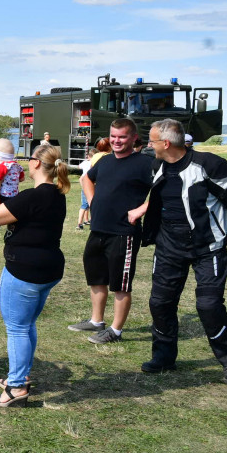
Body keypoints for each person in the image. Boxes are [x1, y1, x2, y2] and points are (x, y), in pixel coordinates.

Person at [140, 119, 227, 385]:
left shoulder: (210, 165)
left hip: (208, 247)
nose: (149, 145)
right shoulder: (157, 166)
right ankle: (164, 356)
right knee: (160, 302)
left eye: (152, 141)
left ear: (165, 143)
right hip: (169, 246)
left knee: (209, 306)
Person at [0, 145, 70, 406]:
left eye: (29, 158)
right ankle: (19, 375)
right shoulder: (58, 193)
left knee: (17, 328)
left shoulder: (32, 197)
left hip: (25, 270)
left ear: (36, 164)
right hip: (49, 268)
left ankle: (16, 387)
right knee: (27, 324)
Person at [68, 119, 153, 345]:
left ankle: (115, 330)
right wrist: (93, 200)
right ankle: (97, 321)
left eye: (122, 136)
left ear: (134, 137)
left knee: (120, 284)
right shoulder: (105, 161)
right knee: (96, 277)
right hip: (98, 229)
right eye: (113, 136)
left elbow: (165, 189)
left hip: (123, 233)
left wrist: (142, 209)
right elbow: (86, 178)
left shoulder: (145, 163)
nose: (116, 140)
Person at [76, 147, 96, 230]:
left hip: (85, 186)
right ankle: (79, 223)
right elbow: (83, 178)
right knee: (85, 205)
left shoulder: (86, 162)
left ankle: (86, 220)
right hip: (88, 187)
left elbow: (78, 167)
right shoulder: (92, 165)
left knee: (87, 205)